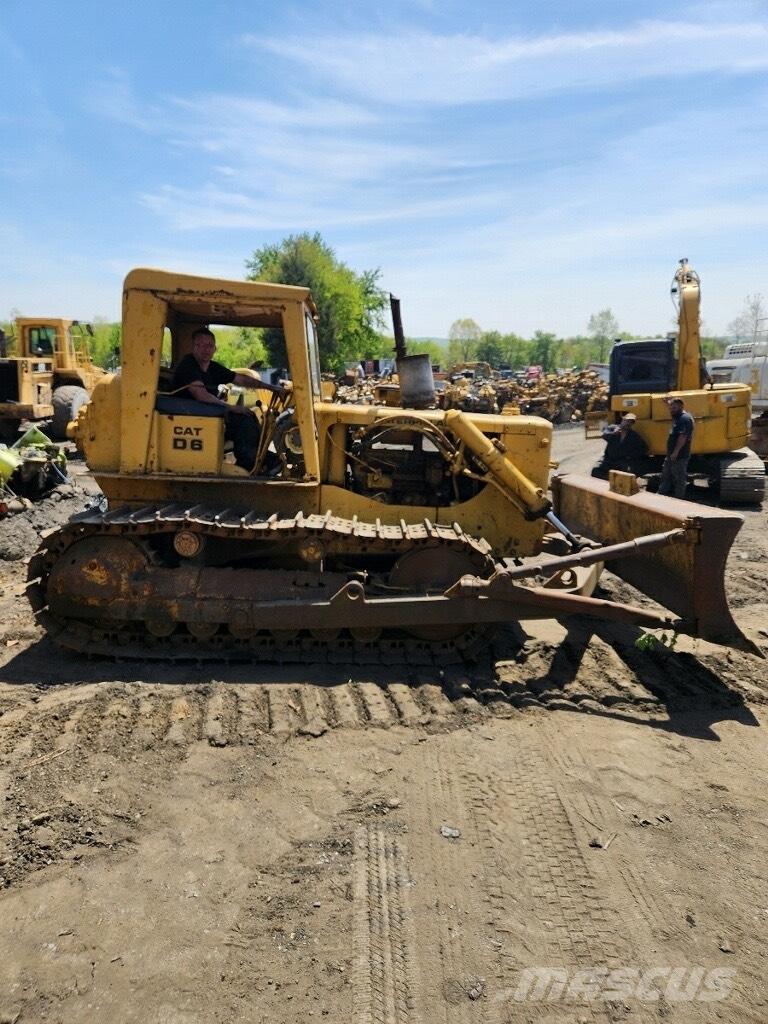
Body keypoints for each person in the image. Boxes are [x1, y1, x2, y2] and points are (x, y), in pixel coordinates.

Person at [172, 327, 286, 471]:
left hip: (206, 415)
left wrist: (270, 388)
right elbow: (200, 394)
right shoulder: (188, 365)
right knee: (242, 419)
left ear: (215, 348)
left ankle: (259, 460)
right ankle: (250, 463)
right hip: (189, 416)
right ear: (193, 347)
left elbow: (241, 380)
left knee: (249, 416)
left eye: (209, 345)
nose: (205, 349)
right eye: (199, 345)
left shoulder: (212, 367)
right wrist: (231, 407)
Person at [591, 412, 648, 479]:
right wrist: (614, 433)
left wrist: (630, 456)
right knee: (595, 470)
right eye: (627, 421)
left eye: (631, 422)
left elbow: (644, 448)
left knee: (627, 475)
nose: (628, 423)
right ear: (623, 420)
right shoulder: (612, 428)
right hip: (608, 459)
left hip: (622, 461)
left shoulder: (633, 435)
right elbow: (604, 435)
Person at [658, 397, 694, 499]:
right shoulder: (677, 416)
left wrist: (676, 452)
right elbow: (672, 407)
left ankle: (679, 499)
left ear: (681, 406)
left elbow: (683, 437)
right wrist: (668, 403)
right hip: (671, 455)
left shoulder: (684, 419)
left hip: (679, 455)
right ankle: (661, 496)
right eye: (670, 407)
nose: (671, 409)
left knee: (679, 478)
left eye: (674, 407)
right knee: (666, 475)